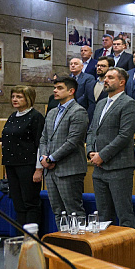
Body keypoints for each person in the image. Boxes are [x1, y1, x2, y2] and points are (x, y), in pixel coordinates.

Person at [86, 67, 135, 228]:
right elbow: (92, 130)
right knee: (103, 214)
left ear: (121, 82)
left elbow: (124, 136)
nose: (105, 80)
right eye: (105, 77)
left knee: (123, 213)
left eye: (110, 77)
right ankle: (105, 249)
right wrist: (90, 151)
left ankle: (127, 251)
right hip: (99, 167)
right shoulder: (101, 103)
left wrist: (102, 155)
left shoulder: (129, 104)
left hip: (119, 166)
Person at [37, 77, 88, 228]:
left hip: (69, 170)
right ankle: (63, 245)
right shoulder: (52, 112)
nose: (55, 90)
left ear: (71, 91)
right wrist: (43, 158)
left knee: (74, 212)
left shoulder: (79, 111)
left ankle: (78, 247)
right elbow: (44, 138)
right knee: (58, 212)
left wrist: (51, 158)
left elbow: (72, 142)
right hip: (50, 170)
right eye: (55, 88)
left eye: (59, 88)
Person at [1, 85, 44, 226]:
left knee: (30, 202)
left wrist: (38, 169)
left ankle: (32, 239)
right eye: (13, 96)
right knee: (18, 203)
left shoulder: (35, 117)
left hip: (28, 165)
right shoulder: (13, 116)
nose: (15, 99)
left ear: (29, 98)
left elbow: (40, 143)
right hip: (12, 165)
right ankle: (22, 238)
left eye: (19, 97)